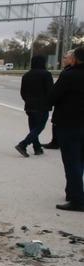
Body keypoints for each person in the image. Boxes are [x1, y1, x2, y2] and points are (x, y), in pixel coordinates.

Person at [47, 47, 84, 212]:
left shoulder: (69, 75)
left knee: (71, 162)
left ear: (76, 59)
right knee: (80, 161)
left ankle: (77, 199)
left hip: (70, 124)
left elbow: (53, 96)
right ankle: (73, 192)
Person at [15, 55, 54, 157]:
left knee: (33, 128)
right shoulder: (46, 74)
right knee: (39, 128)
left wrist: (27, 100)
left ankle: (37, 148)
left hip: (29, 105)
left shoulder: (26, 75)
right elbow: (50, 91)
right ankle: (23, 144)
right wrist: (50, 103)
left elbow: (22, 92)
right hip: (42, 106)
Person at [44, 50, 76, 150]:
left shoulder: (68, 73)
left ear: (73, 59)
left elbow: (56, 92)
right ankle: (56, 141)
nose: (63, 60)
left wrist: (49, 102)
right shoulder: (68, 71)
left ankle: (57, 142)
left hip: (66, 107)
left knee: (60, 125)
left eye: (65, 57)